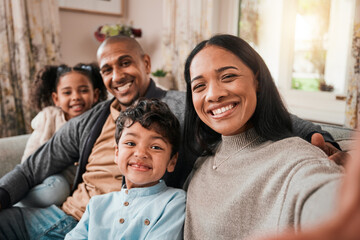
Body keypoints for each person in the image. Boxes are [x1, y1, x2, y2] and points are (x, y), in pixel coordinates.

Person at [0, 35, 344, 239]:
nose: (117, 75)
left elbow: (267, 116)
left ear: (146, 63)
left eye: (125, 63)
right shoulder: (89, 120)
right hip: (76, 218)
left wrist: (320, 136)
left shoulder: (187, 106)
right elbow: (31, 169)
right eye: (107, 69)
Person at [182, 34, 345, 239]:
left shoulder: (296, 159)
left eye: (228, 76)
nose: (213, 94)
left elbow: (324, 197)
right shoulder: (201, 165)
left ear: (257, 80)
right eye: (199, 86)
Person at [65, 98, 186, 239]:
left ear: (172, 161)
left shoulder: (173, 202)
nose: (140, 154)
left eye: (155, 147)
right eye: (130, 143)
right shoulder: (97, 205)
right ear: (117, 153)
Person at [17, 63, 108, 208]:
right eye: (67, 93)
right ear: (56, 98)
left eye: (83, 90)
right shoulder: (49, 118)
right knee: (57, 190)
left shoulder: (100, 121)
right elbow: (29, 159)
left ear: (95, 95)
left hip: (77, 186)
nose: (76, 97)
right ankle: (15, 202)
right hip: (44, 180)